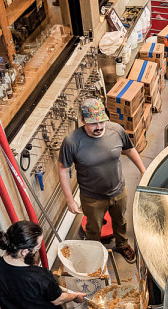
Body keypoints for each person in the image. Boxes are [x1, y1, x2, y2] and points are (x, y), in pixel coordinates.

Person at [58, 98, 146, 264]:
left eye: (101, 122)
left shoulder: (117, 131)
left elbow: (129, 149)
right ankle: (94, 252)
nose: (98, 127)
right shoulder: (72, 142)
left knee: (120, 220)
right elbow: (63, 170)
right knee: (93, 228)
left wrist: (143, 170)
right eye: (93, 123)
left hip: (119, 190)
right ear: (83, 120)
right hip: (92, 198)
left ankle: (122, 244)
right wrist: (70, 200)